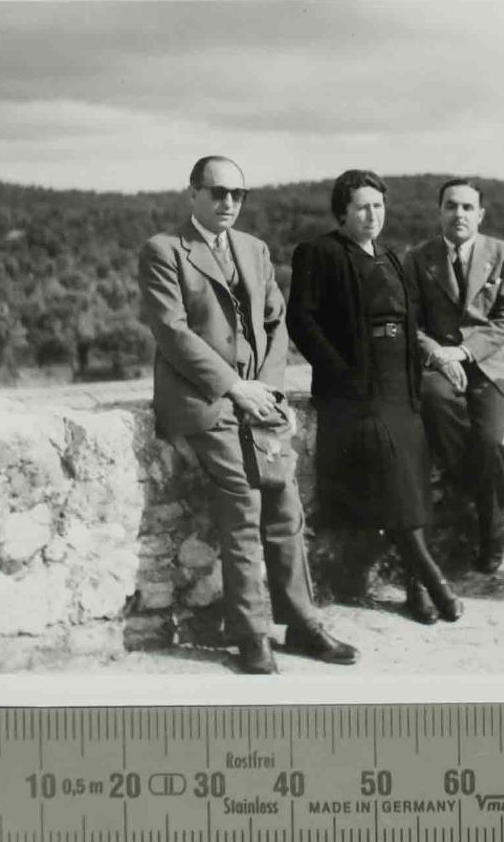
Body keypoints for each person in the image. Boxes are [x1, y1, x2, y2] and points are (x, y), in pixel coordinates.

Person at [138, 155, 357, 675]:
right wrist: (235, 386)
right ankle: (251, 634)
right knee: (243, 503)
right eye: (217, 192)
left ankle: (302, 623)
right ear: (192, 194)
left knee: (286, 504)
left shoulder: (254, 250)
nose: (228, 203)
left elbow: (277, 323)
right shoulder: (165, 251)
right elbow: (171, 332)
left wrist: (268, 390)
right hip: (205, 400)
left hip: (258, 401)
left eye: (238, 194)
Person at [286, 169, 464, 625]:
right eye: (362, 207)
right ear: (342, 211)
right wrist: (342, 375)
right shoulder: (320, 253)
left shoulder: (391, 257)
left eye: (379, 206)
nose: (372, 215)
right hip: (351, 394)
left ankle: (415, 590)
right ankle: (431, 578)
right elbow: (302, 322)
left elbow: (407, 326)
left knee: (411, 477)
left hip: (398, 388)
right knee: (390, 473)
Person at [404, 178, 504, 574]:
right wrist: (437, 353)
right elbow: (409, 320)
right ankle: (502, 487)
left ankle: (492, 536)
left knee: (488, 440)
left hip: (487, 365)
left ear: (481, 214)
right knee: (435, 401)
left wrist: (465, 349)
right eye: (451, 206)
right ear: (439, 212)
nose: (459, 214)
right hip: (441, 365)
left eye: (467, 207)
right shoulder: (420, 258)